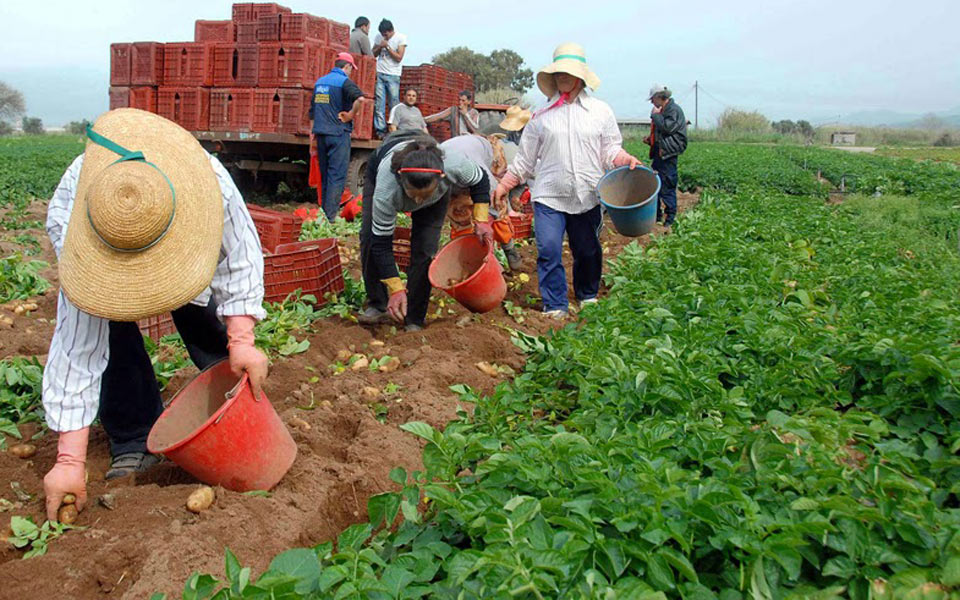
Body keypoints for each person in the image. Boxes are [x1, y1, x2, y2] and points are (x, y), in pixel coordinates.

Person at [42, 108, 268, 522]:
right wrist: (69, 461)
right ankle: (132, 436)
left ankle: (233, 397)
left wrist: (242, 341)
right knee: (110, 327)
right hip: (88, 229)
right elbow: (77, 350)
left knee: (199, 305)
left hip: (182, 226)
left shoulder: (207, 178)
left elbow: (241, 257)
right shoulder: (79, 214)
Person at [493, 43, 641, 319]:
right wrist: (504, 185)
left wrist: (625, 159)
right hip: (549, 195)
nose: (562, 76)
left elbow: (610, 151)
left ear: (580, 76)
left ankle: (587, 294)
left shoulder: (600, 112)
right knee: (548, 249)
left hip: (586, 194)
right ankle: (555, 304)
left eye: (567, 72)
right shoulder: (540, 117)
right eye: (558, 72)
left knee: (587, 250)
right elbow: (525, 160)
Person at [357, 131, 492, 331]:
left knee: (425, 250)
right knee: (369, 237)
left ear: (443, 177)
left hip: (436, 199)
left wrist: (481, 220)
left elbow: (480, 181)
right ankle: (377, 303)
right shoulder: (387, 189)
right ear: (401, 179)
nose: (418, 202)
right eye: (413, 195)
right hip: (382, 165)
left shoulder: (454, 164)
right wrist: (396, 289)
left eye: (424, 195)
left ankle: (414, 319)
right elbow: (381, 244)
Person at [439, 133, 523, 271]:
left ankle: (510, 250)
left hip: (475, 164)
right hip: (451, 171)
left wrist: (483, 221)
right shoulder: (435, 173)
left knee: (497, 210)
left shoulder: (488, 166)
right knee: (459, 215)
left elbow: (493, 196)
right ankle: (470, 259)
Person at [310, 52, 365, 221]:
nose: (350, 72)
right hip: (338, 134)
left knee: (325, 175)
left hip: (320, 134)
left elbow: (312, 113)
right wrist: (350, 115)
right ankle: (331, 217)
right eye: (351, 69)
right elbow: (360, 99)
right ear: (347, 66)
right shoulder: (344, 82)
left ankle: (325, 213)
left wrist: (311, 138)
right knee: (337, 176)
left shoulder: (320, 83)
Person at [643, 84, 687, 227]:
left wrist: (655, 115)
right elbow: (663, 133)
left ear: (659, 97)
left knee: (667, 184)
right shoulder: (665, 110)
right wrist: (652, 141)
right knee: (655, 183)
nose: (651, 102)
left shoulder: (673, 110)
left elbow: (668, 127)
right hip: (661, 154)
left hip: (668, 155)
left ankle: (670, 219)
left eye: (652, 99)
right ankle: (657, 216)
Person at [372, 19, 407, 138]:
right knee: (379, 103)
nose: (384, 36)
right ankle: (380, 131)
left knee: (394, 103)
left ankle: (394, 130)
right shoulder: (379, 37)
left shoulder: (400, 38)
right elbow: (373, 54)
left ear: (391, 31)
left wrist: (387, 47)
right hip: (380, 72)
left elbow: (399, 58)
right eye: (382, 34)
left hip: (393, 74)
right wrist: (379, 46)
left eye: (386, 34)